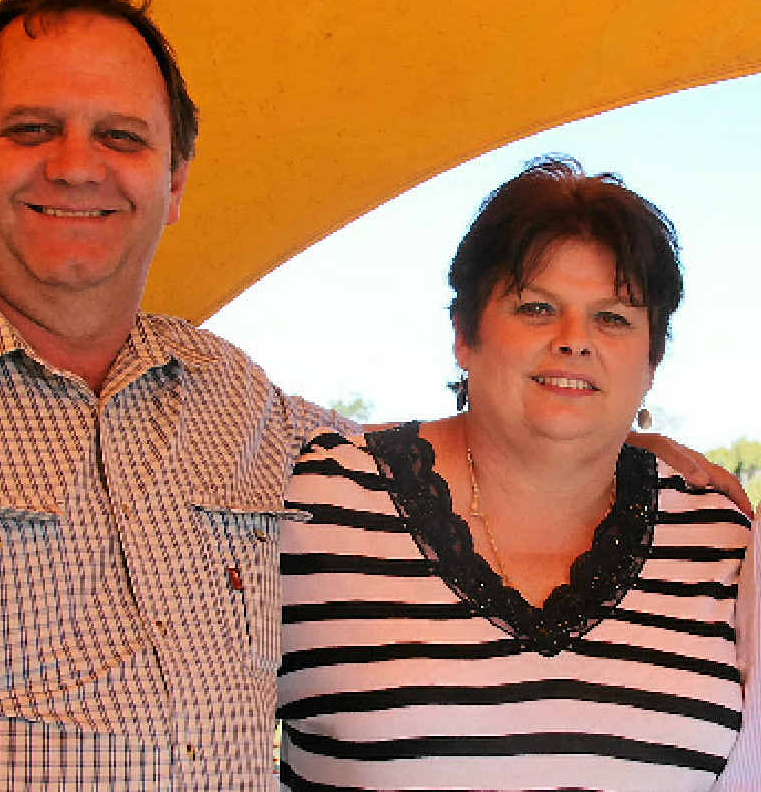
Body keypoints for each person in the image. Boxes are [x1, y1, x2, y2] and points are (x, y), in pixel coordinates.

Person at [0, 0, 745, 790]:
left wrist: (613, 442)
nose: (79, 167)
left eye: (122, 137)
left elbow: (463, 445)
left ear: (175, 180)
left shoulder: (235, 402)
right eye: (32, 129)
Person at [278, 156, 757, 791]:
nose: (573, 340)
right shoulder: (316, 504)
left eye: (613, 318)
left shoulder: (723, 541)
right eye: (536, 307)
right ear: (463, 334)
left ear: (652, 359)